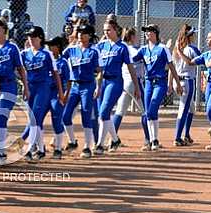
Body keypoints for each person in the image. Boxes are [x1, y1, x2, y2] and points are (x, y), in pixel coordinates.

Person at [132, 24, 182, 151]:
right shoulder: (143, 50)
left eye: (149, 31)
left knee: (152, 109)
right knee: (150, 113)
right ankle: (153, 141)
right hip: (148, 83)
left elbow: (171, 66)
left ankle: (154, 140)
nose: (146, 33)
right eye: (146, 31)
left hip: (160, 82)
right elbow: (130, 59)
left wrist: (177, 83)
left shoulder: (162, 49)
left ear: (155, 33)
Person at [178, 30, 211, 150]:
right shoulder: (207, 54)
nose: (207, 40)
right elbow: (191, 62)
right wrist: (180, 51)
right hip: (210, 85)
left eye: (209, 38)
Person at [94, 19, 140, 155]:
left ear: (116, 31)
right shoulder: (101, 46)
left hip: (115, 82)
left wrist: (136, 86)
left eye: (108, 30)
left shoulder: (122, 47)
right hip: (102, 82)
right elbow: (97, 66)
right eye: (104, 30)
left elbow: (131, 68)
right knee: (102, 114)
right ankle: (115, 139)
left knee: (103, 112)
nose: (106, 33)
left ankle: (100, 145)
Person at [20, 26, 65, 161]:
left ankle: (29, 149)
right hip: (31, 88)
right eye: (29, 36)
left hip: (43, 88)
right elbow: (22, 72)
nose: (31, 39)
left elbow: (56, 75)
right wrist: (24, 86)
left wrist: (61, 93)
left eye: (34, 36)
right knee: (33, 119)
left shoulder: (46, 54)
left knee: (35, 118)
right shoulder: (24, 53)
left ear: (40, 38)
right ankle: (41, 149)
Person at [0, 17, 29, 164]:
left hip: (8, 85)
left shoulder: (12, 48)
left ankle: (1, 152)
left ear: (4, 30)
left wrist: (25, 86)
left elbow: (20, 69)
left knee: (1, 117)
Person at [61, 24, 100, 158]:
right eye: (79, 33)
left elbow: (100, 71)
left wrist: (98, 87)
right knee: (65, 116)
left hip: (88, 86)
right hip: (74, 86)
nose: (80, 35)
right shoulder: (71, 50)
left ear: (89, 36)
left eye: (84, 33)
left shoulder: (94, 51)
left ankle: (87, 147)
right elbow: (60, 59)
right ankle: (72, 141)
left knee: (86, 115)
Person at [111, 27, 150, 149]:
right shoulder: (135, 50)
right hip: (134, 82)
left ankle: (113, 141)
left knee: (119, 112)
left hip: (123, 82)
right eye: (135, 35)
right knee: (145, 112)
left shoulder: (121, 48)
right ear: (132, 37)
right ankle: (148, 140)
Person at [170, 24, 200, 146]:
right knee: (183, 109)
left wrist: (170, 84)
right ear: (190, 36)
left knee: (191, 108)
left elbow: (172, 68)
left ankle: (186, 135)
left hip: (178, 80)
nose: (194, 36)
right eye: (193, 34)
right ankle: (177, 138)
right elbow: (193, 62)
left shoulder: (176, 48)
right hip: (187, 81)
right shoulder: (190, 48)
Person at [45, 36, 71, 159]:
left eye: (52, 45)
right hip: (45, 93)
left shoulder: (63, 62)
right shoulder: (46, 60)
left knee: (56, 120)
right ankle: (38, 147)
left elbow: (68, 81)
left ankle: (58, 148)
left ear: (58, 47)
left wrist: (65, 95)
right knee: (36, 118)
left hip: (57, 94)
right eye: (48, 45)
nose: (49, 48)